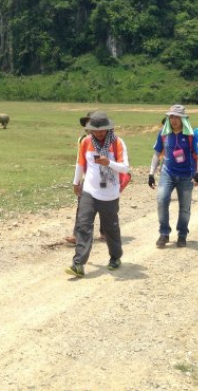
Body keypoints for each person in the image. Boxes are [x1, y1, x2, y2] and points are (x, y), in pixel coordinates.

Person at [66, 111, 130, 277]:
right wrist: (76, 182)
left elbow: (125, 168)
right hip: (89, 191)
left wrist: (109, 162)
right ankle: (78, 264)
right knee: (83, 225)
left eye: (103, 130)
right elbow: (80, 164)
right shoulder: (86, 142)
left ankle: (115, 257)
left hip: (110, 193)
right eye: (96, 130)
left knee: (110, 229)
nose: (99, 133)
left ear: (109, 129)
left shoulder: (117, 143)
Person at [148, 105, 198, 248]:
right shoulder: (163, 133)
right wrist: (151, 173)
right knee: (161, 200)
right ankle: (164, 233)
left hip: (186, 175)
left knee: (185, 207)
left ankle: (182, 234)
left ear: (183, 119)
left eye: (177, 117)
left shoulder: (192, 135)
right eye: (171, 116)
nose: (174, 120)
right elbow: (156, 154)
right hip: (167, 173)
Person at [65, 112, 105, 246]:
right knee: (83, 207)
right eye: (88, 123)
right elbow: (79, 161)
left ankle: (106, 232)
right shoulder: (82, 139)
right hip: (87, 179)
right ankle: (78, 235)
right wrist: (76, 182)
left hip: (104, 178)